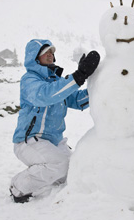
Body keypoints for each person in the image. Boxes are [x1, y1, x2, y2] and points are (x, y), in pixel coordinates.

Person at [9, 39, 100, 203]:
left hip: (54, 142)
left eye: (52, 52)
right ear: (35, 57)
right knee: (60, 164)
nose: (50, 55)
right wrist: (77, 77)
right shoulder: (29, 80)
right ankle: (19, 186)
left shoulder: (57, 82)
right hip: (29, 141)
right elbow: (45, 96)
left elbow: (78, 101)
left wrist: (101, 86)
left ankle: (49, 178)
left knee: (75, 167)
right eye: (46, 52)